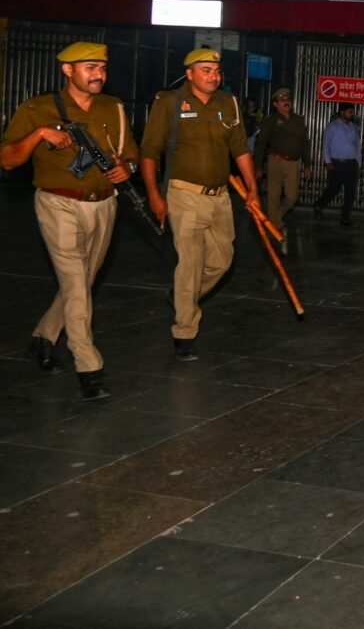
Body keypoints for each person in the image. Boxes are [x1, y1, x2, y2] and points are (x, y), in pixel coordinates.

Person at [0, 41, 138, 400]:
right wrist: (39, 134)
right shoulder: (37, 108)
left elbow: (130, 154)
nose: (98, 75)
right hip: (58, 204)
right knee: (76, 285)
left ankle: (44, 337)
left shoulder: (115, 108)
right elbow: (8, 160)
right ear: (67, 70)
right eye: (90, 67)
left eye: (102, 68)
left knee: (82, 282)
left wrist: (127, 169)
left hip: (104, 204)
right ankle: (89, 366)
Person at [140, 48, 260, 362]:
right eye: (206, 70)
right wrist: (154, 194)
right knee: (190, 263)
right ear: (190, 73)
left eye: (217, 71)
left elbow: (240, 150)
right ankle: (184, 331)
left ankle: (182, 297)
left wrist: (252, 189)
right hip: (184, 194)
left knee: (222, 260)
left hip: (221, 196)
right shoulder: (168, 103)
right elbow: (149, 152)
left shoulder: (228, 103)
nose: (213, 76)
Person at [254, 87, 311, 232]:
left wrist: (307, 165)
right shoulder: (271, 121)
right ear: (275, 104)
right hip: (276, 161)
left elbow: (305, 143)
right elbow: (261, 144)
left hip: (293, 162)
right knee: (274, 194)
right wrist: (258, 166)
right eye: (282, 100)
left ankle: (274, 218)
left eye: (288, 99)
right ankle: (275, 223)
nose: (286, 102)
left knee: (292, 197)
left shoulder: (298, 120)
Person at [313, 101, 361, 226]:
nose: (352, 114)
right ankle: (319, 205)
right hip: (337, 163)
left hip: (351, 164)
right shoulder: (332, 126)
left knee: (350, 192)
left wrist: (358, 163)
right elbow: (325, 145)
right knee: (334, 189)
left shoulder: (354, 127)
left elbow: (357, 146)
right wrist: (327, 162)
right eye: (349, 111)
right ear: (342, 112)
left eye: (352, 111)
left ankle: (345, 218)